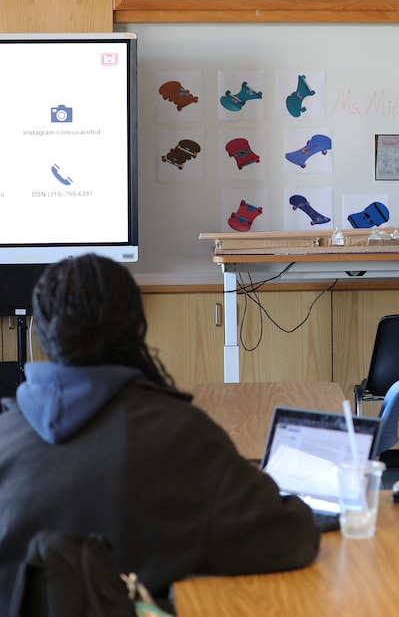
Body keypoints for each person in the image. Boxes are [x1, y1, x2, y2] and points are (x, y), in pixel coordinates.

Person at [0, 254, 320, 610]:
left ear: (43, 336)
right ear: (139, 328)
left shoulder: (4, 436)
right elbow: (289, 537)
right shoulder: (183, 437)